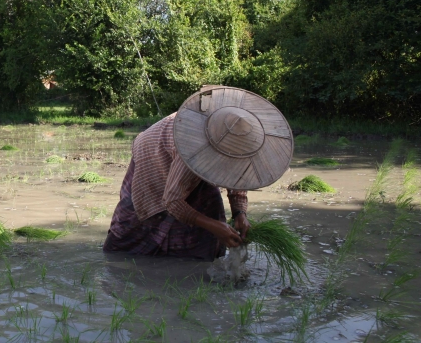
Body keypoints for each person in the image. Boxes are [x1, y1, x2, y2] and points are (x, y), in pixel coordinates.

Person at [103, 86, 293, 260]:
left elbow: (237, 176)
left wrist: (239, 213)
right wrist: (214, 227)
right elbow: (172, 201)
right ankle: (122, 262)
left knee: (211, 207)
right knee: (137, 222)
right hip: (150, 157)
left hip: (185, 156)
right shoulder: (193, 146)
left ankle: (195, 267)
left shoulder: (234, 145)